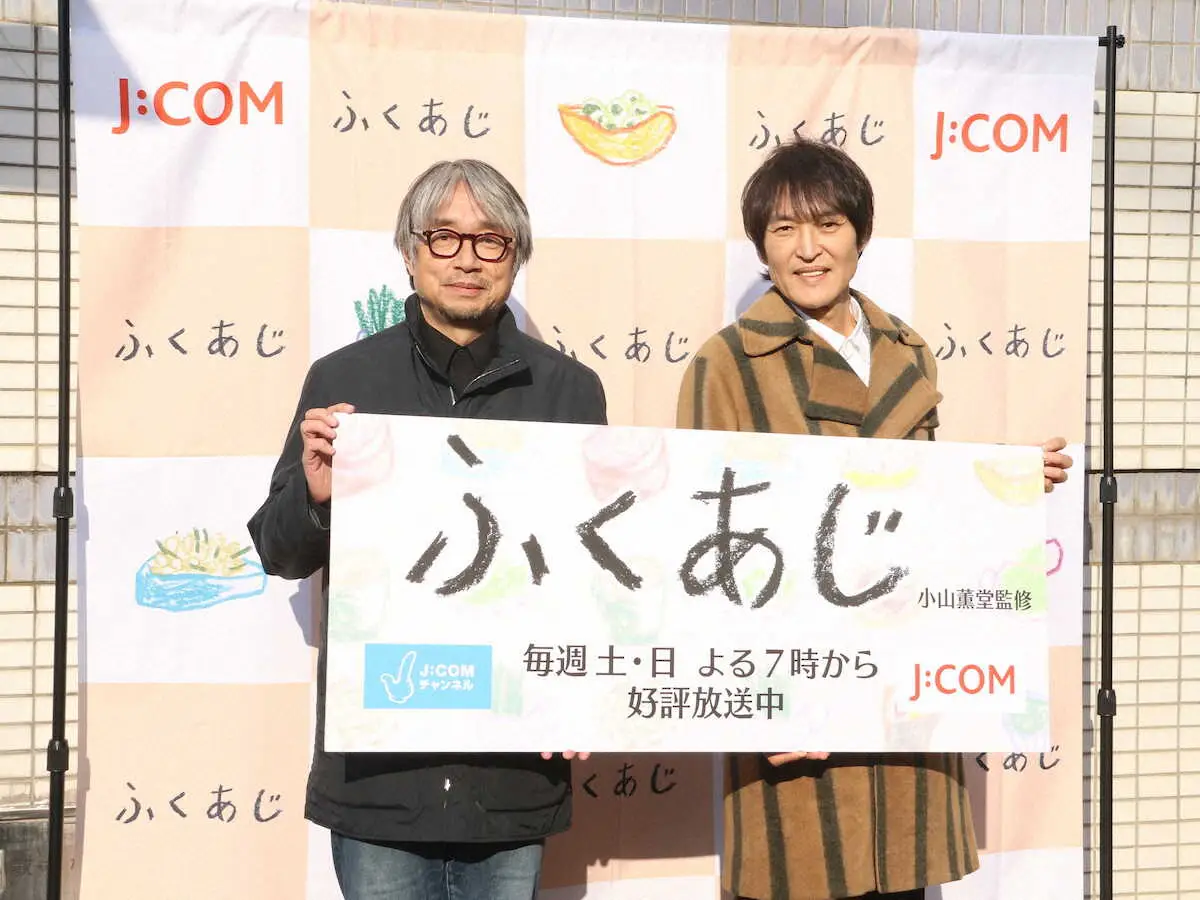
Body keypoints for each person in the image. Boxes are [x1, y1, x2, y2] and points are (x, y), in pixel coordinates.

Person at [675, 137, 1073, 900]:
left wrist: (998, 480)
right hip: (796, 689)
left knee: (901, 875)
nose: (808, 249)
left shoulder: (908, 350)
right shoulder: (726, 364)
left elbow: (911, 500)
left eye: (828, 225)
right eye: (784, 230)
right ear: (760, 246)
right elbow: (707, 550)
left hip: (906, 676)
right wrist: (756, 709)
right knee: (808, 870)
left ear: (861, 235)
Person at [247, 159, 607, 900]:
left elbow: (593, 571)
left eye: (491, 240)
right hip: (380, 774)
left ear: (516, 256)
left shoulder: (570, 392)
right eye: (444, 237)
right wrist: (317, 495)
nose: (467, 259)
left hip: (510, 771)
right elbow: (280, 552)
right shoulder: (345, 381)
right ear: (410, 252)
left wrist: (584, 692)